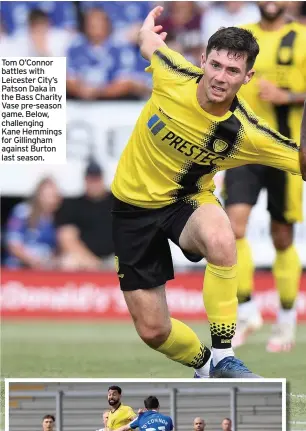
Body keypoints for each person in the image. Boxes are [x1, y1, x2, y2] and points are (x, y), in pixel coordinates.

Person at [111, 6, 305, 378]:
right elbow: (148, 43)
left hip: (185, 202)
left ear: (247, 77)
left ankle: (224, 355)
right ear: (202, 59)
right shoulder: (172, 72)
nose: (220, 77)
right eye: (215, 65)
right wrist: (145, 31)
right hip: (130, 209)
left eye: (233, 71)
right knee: (154, 330)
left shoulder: (246, 132)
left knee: (222, 236)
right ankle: (205, 366)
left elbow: (301, 162)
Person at [224, 1, 306, 352]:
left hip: (286, 148)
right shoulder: (243, 36)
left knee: (282, 236)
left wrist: (286, 96)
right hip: (244, 146)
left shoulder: (301, 37)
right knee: (233, 226)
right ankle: (246, 310)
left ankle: (286, 321)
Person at [56, 160, 114, 271]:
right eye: (91, 179)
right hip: (85, 259)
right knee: (68, 262)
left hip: (115, 258)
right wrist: (92, 261)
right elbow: (66, 237)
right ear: (85, 180)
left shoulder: (118, 202)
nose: (94, 183)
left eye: (97, 179)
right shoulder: (73, 205)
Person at [4, 177, 61, 269]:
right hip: (19, 268)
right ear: (38, 195)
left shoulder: (56, 218)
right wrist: (32, 261)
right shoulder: (23, 212)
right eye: (47, 196)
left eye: (54, 196)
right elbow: (13, 244)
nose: (50, 200)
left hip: (45, 269)